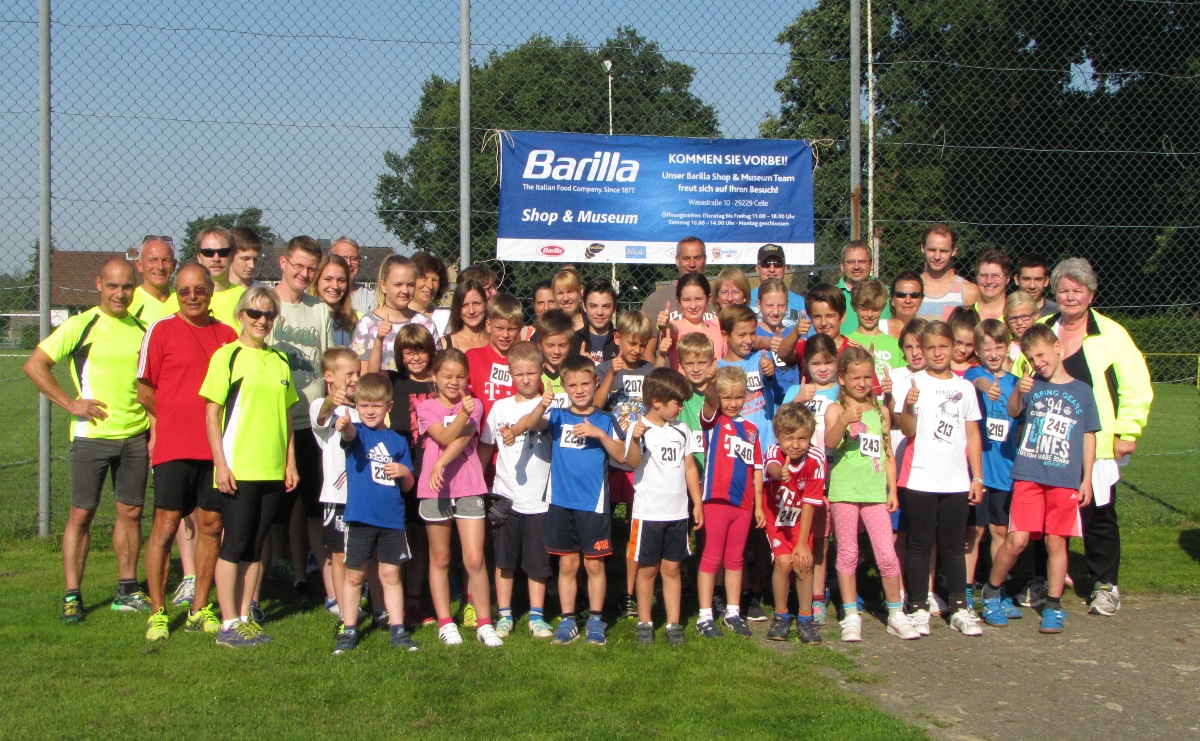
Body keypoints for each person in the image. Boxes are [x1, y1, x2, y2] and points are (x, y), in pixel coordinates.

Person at [25, 257, 151, 622]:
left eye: (126, 287)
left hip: (135, 436)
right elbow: (35, 365)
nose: (120, 294)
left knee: (131, 512)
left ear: (134, 287)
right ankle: (72, 595)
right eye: (112, 286)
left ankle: (126, 590)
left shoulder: (144, 329)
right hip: (91, 437)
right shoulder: (81, 325)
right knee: (82, 514)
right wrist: (70, 403)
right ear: (98, 284)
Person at [1030, 258, 1151, 616]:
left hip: (1094, 443)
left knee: (1099, 514)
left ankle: (1105, 585)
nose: (1070, 297)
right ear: (1054, 293)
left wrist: (1128, 430)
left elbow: (1134, 384)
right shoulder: (1042, 329)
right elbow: (1023, 374)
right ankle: (1043, 580)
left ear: (1091, 294)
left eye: (1077, 290)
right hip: (1048, 442)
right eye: (1063, 290)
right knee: (1046, 516)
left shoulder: (1112, 334)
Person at [137, 263, 238, 640]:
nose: (192, 297)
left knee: (212, 525)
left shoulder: (227, 335)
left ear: (211, 291)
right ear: (176, 294)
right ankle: (158, 611)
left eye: (199, 290)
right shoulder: (160, 330)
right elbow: (144, 389)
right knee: (165, 525)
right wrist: (170, 420)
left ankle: (200, 607)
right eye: (184, 291)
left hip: (215, 450)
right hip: (174, 447)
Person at [981, 324, 1100, 634]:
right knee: (1017, 539)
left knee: (1056, 541)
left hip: (1064, 477)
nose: (1038, 363)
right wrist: (1019, 393)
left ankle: (1053, 605)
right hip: (1029, 474)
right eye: (1032, 358)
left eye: (1042, 355)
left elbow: (1088, 435)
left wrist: (1086, 478)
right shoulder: (1031, 385)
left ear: (1058, 347)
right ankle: (992, 592)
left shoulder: (1082, 391)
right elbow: (1013, 411)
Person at [200, 285, 299, 647]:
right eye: (255, 313)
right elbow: (212, 414)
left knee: (256, 545)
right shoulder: (226, 356)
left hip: (271, 468)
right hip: (239, 467)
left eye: (269, 314)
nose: (261, 320)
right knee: (235, 543)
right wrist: (220, 464)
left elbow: (287, 416)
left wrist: (290, 463)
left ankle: (244, 616)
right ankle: (227, 623)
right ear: (240, 315)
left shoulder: (280, 360)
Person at [515, 355, 626, 646]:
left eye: (585, 384)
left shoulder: (605, 419)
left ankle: (596, 620)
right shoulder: (558, 416)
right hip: (562, 503)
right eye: (572, 385)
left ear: (596, 383)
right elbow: (530, 424)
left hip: (593, 505)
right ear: (563, 386)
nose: (579, 390)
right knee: (567, 565)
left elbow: (623, 455)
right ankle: (568, 620)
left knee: (594, 565)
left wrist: (600, 435)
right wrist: (543, 404)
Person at [895, 321, 985, 637]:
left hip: (956, 480)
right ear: (922, 349)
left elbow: (973, 435)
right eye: (930, 347)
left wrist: (977, 477)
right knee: (920, 544)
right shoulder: (912, 383)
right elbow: (907, 430)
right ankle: (918, 606)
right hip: (920, 478)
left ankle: (960, 607)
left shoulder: (965, 388)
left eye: (943, 346)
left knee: (954, 545)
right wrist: (908, 405)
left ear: (953, 348)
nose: (937, 353)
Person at [823, 348, 917, 642]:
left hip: (875, 493)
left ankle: (895, 612)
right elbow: (829, 443)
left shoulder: (880, 412)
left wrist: (892, 489)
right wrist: (844, 421)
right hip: (845, 491)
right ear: (842, 378)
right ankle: (850, 614)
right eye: (856, 378)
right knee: (848, 553)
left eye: (867, 377)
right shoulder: (835, 409)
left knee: (886, 553)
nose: (862, 383)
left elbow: (887, 452)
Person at [415, 349, 502, 647]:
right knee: (440, 557)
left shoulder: (474, 404)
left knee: (474, 558)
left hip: (469, 485)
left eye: (461, 376)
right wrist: (461, 415)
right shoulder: (426, 407)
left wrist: (441, 461)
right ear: (434, 377)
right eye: (447, 376)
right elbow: (443, 436)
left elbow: (463, 439)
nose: (454, 382)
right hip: (435, 488)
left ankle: (484, 623)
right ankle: (445, 622)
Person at [330, 372, 419, 654]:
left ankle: (398, 629)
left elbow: (409, 485)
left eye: (376, 405)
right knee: (354, 575)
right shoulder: (358, 432)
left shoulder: (398, 441)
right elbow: (348, 434)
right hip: (360, 517)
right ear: (357, 405)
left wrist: (404, 472)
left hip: (392, 519)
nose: (370, 411)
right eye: (364, 405)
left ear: (388, 407)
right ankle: (349, 629)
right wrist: (344, 425)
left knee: (391, 575)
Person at [268, 235, 333, 602]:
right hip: (273, 423)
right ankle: (263, 578)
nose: (305, 274)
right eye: (298, 266)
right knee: (270, 507)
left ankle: (311, 580)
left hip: (311, 423)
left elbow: (326, 367)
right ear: (283, 263)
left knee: (311, 506)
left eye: (311, 269)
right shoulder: (264, 305)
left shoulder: (319, 310)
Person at [478, 341, 556, 639]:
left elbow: (535, 422)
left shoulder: (551, 406)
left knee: (537, 562)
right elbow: (486, 446)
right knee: (504, 560)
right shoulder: (500, 407)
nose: (525, 379)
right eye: (519, 373)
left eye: (531, 373)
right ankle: (505, 614)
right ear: (510, 373)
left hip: (540, 499)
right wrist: (478, 482)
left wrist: (542, 404)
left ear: (541, 371)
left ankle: (537, 616)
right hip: (506, 496)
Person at [624, 368, 704, 646]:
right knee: (647, 569)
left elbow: (690, 467)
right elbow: (632, 462)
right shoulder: (638, 429)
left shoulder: (681, 430)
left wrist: (697, 503)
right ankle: (645, 621)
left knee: (672, 568)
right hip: (648, 514)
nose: (681, 408)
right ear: (657, 401)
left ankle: (673, 623)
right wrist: (635, 439)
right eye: (677, 403)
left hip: (677, 513)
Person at [593, 310, 657, 615]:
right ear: (617, 338)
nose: (637, 349)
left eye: (642, 344)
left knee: (635, 527)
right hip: (608, 458)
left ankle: (629, 593)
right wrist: (610, 375)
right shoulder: (605, 367)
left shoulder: (651, 370)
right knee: (602, 525)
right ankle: (599, 588)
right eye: (632, 343)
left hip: (637, 459)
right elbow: (595, 406)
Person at [695, 366, 764, 639]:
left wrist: (758, 505)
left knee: (735, 558)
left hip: (743, 504)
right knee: (712, 557)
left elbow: (757, 469)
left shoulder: (751, 430)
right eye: (727, 397)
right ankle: (704, 615)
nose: (733, 403)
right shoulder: (713, 421)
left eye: (739, 397)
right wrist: (712, 383)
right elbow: (709, 402)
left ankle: (733, 612)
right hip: (716, 500)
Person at [963, 319, 1020, 609]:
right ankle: (965, 590)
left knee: (1000, 531)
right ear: (977, 350)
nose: (994, 354)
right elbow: (978, 381)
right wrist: (987, 389)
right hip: (978, 471)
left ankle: (996, 590)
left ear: (1007, 347)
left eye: (999, 347)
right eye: (987, 348)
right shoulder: (973, 374)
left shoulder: (1016, 383)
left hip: (1006, 470)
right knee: (974, 533)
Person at [384, 324, 438, 625]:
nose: (415, 357)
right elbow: (370, 376)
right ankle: (393, 599)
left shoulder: (437, 383)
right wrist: (378, 339)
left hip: (429, 468)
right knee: (398, 535)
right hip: (400, 468)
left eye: (421, 351)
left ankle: (415, 601)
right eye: (408, 352)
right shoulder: (395, 382)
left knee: (420, 537)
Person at [762, 404, 827, 644]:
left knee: (802, 564)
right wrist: (779, 473)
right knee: (783, 562)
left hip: (801, 520)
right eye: (789, 438)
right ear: (778, 436)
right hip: (777, 519)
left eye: (802, 438)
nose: (796, 445)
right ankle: (781, 616)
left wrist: (802, 543)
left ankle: (805, 618)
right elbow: (770, 466)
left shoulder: (816, 458)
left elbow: (810, 502)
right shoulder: (773, 451)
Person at [310, 347, 360, 622]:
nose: (355, 379)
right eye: (349, 374)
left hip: (364, 493)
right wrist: (332, 401)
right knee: (340, 554)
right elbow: (322, 413)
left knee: (364, 554)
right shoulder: (322, 406)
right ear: (329, 376)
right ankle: (344, 610)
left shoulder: (364, 406)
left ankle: (371, 603)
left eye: (358, 373)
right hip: (337, 495)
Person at [353, 255, 439, 373]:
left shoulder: (426, 323)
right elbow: (363, 374)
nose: (405, 291)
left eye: (410, 285)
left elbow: (436, 368)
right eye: (398, 285)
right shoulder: (367, 324)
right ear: (383, 286)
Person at [718, 305, 782, 450]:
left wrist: (768, 370)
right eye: (742, 335)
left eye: (752, 333)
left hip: (766, 446)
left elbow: (767, 372)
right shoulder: (717, 370)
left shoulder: (760, 358)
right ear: (725, 335)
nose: (748, 340)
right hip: (736, 448)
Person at [465, 292, 523, 428]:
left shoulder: (525, 362)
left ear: (520, 328)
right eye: (499, 328)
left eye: (512, 329)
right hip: (482, 433)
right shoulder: (473, 357)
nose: (505, 335)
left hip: (516, 434)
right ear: (488, 325)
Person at [656, 273, 725, 372]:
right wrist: (664, 325)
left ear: (708, 299)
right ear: (678, 301)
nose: (693, 306)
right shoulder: (676, 327)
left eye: (698, 299)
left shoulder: (719, 330)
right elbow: (671, 330)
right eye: (686, 300)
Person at [641, 235, 710, 327]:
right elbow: (645, 336)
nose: (692, 264)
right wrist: (661, 328)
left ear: (705, 260)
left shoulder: (718, 298)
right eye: (686, 258)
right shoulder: (657, 300)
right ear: (677, 260)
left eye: (697, 258)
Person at [917, 224, 980, 319]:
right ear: (922, 248)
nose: (937, 256)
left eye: (943, 251)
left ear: (954, 251)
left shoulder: (969, 291)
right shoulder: (909, 291)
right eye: (932, 250)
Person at [848, 279, 906, 374]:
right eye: (864, 309)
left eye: (875, 309)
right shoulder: (845, 343)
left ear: (883, 307)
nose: (870, 314)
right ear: (854, 306)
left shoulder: (896, 346)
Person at [194, 226, 245, 328]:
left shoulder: (246, 299)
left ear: (232, 256)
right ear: (199, 257)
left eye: (223, 252)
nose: (216, 259)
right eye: (209, 253)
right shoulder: (181, 299)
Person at [749, 243, 808, 330]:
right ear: (757, 269)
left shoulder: (801, 303)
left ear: (785, 268)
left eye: (777, 264)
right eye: (766, 264)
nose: (772, 269)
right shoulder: (746, 299)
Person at [756, 278, 801, 391]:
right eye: (770, 305)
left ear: (787, 305)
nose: (776, 312)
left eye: (781, 305)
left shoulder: (796, 336)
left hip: (795, 399)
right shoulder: (751, 335)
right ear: (759, 304)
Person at [836, 240, 888, 334]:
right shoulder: (832, 295)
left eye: (862, 261)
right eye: (850, 262)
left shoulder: (887, 294)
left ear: (872, 265)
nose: (856, 267)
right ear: (842, 266)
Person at [308, 254, 356, 346]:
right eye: (328, 279)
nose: (335, 286)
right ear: (316, 281)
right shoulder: (305, 316)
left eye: (341, 280)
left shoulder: (355, 321)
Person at [129, 235, 179, 323]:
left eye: (166, 260)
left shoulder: (184, 299)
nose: (160, 267)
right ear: (139, 265)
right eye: (152, 260)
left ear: (174, 265)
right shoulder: (129, 302)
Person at [572, 279, 620, 364]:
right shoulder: (573, 341)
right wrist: (579, 365)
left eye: (606, 306)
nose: (600, 312)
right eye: (593, 306)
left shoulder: (622, 341)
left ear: (614, 307)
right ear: (584, 306)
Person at [441, 279, 489, 352]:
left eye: (476, 303)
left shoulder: (498, 342)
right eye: (464, 305)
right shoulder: (444, 344)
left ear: (485, 303)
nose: (471, 311)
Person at [330, 236, 375, 313]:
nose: (348, 263)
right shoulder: (317, 294)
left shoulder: (371, 297)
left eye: (354, 259)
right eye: (343, 258)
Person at [411, 251, 451, 337]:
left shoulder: (445, 318)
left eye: (434, 280)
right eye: (424, 278)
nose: (430, 286)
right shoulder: (395, 316)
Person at [973, 249, 1012, 321]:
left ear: (1007, 278)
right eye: (984, 275)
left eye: (995, 276)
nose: (989, 281)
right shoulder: (966, 315)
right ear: (976, 277)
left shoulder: (1015, 316)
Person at [885, 270, 924, 338]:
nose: (908, 301)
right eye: (901, 295)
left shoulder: (927, 332)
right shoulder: (878, 328)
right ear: (892, 299)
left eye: (914, 295)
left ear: (921, 299)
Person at [948, 305, 981, 376]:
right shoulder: (938, 365)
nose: (963, 350)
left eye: (969, 345)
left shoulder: (978, 369)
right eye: (958, 343)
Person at [551, 267, 586, 332]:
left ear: (581, 291)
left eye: (570, 292)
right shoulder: (548, 327)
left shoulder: (592, 325)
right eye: (560, 293)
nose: (565, 298)